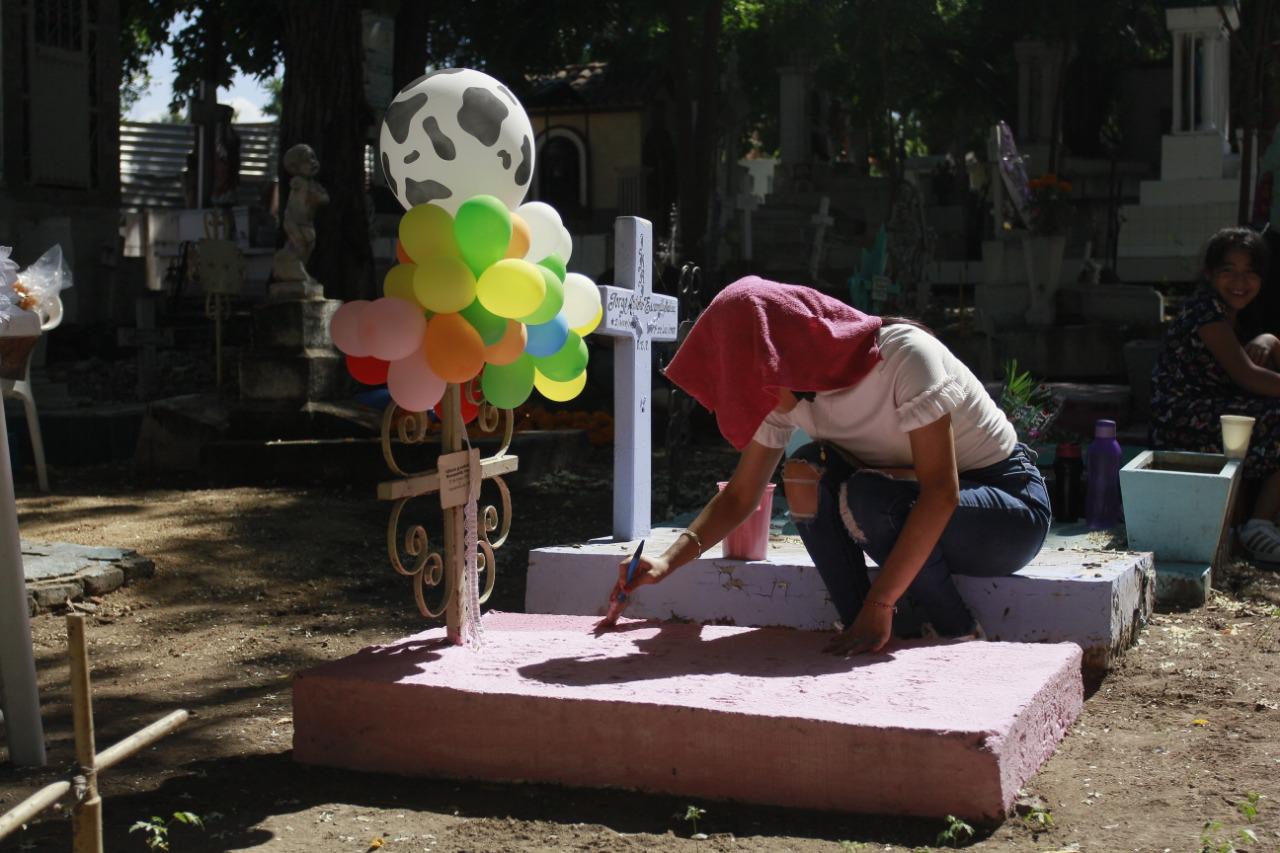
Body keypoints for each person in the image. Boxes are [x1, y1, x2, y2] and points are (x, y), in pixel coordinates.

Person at [604, 277, 1051, 655]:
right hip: (902, 501)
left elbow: (941, 493)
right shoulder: (784, 395)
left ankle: (955, 629)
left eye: (747, 379)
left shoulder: (904, 356)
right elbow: (741, 495)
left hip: (1007, 512)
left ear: (783, 352)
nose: (747, 398)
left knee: (867, 497)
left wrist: (883, 604)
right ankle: (858, 627)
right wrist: (664, 562)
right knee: (805, 473)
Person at [1149, 226, 1280, 562]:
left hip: (1214, 410)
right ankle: (1258, 526)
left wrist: (1270, 339)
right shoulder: (1205, 312)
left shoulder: (1236, 314)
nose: (1240, 281)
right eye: (1229, 271)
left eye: (1250, 272)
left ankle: (1254, 525)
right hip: (1182, 418)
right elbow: (1247, 376)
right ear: (1209, 274)